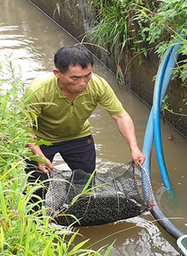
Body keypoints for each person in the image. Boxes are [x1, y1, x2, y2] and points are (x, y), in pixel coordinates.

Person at [24, 45, 145, 179]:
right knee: (36, 185)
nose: (82, 83)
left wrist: (134, 148)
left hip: (78, 136)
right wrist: (39, 156)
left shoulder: (98, 85)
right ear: (57, 73)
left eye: (87, 76)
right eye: (75, 78)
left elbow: (120, 116)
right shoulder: (39, 90)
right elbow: (24, 126)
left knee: (86, 182)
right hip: (42, 139)